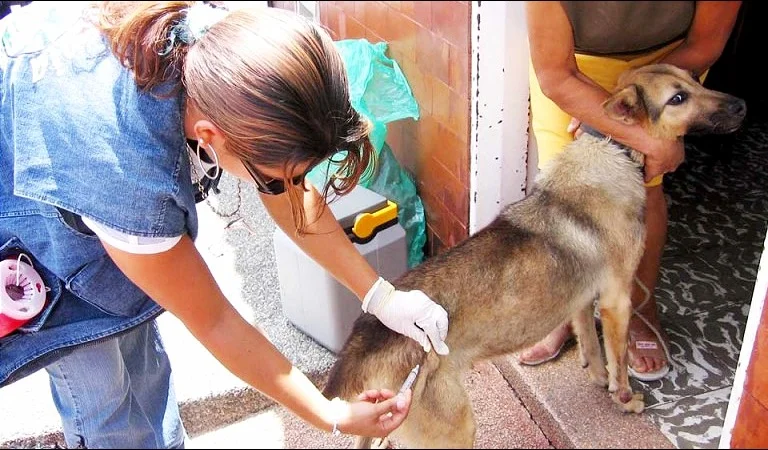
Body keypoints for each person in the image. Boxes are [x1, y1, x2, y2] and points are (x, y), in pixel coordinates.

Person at [0, 2, 450, 448]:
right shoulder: (127, 178)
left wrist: (381, 296)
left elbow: (289, 193)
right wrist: (328, 413)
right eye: (272, 178)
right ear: (210, 136)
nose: (288, 187)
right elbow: (216, 321)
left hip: (72, 134)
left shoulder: (225, 53)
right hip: (32, 199)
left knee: (143, 364)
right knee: (107, 397)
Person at [521, 1, 742, 381]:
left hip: (669, 67)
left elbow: (705, 43)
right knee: (564, 196)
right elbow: (556, 75)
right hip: (576, 70)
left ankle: (640, 309)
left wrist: (634, 106)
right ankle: (563, 310)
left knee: (643, 191)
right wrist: (599, 108)